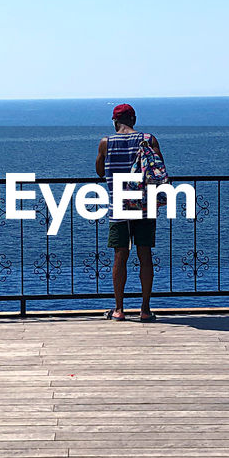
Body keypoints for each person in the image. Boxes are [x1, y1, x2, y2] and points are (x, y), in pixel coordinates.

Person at [95, 103, 164, 321]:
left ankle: (119, 309)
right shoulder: (149, 139)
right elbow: (158, 169)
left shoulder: (106, 142)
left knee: (120, 256)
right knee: (145, 256)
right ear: (133, 119)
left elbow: (99, 171)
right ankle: (144, 309)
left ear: (115, 121)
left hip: (119, 207)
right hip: (144, 205)